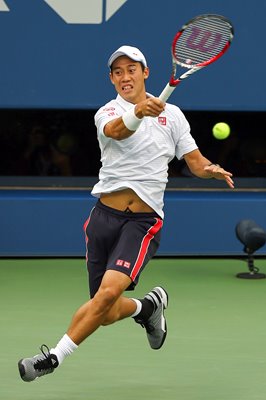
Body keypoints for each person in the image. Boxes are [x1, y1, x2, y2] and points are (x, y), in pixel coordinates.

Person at [18, 45, 234, 382]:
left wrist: (211, 169)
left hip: (142, 223)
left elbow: (195, 162)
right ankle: (148, 308)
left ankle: (51, 360)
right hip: (103, 218)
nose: (124, 77)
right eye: (117, 72)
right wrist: (140, 112)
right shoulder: (107, 112)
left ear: (145, 73)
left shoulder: (173, 116)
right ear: (112, 79)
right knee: (103, 312)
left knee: (105, 296)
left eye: (131, 69)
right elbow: (118, 130)